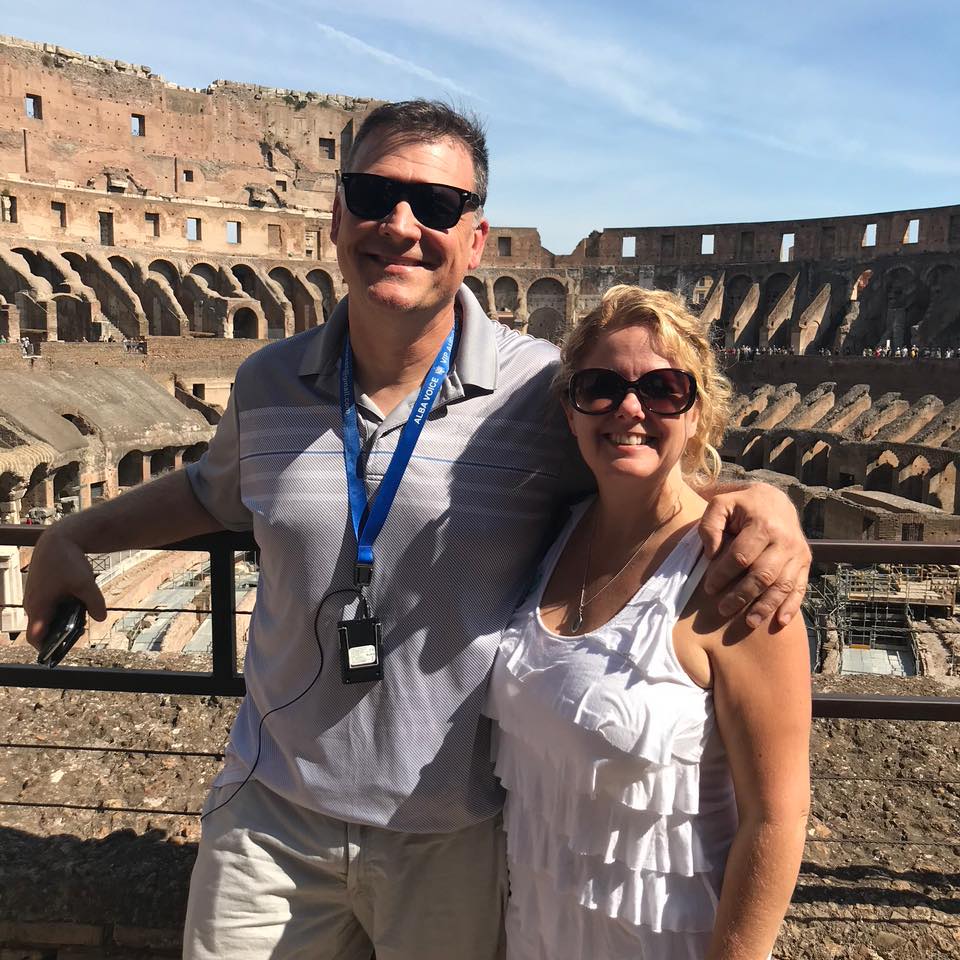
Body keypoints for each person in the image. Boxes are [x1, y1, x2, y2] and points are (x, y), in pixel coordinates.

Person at [23, 101, 812, 960]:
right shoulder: (267, 380)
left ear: (475, 240)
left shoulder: (539, 392)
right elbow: (212, 493)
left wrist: (761, 502)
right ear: (336, 217)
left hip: (451, 835)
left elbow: (639, 456)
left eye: (436, 205)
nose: (400, 225)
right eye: (373, 196)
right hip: (271, 813)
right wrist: (74, 533)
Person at [486, 285, 810, 959]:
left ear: (697, 412)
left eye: (664, 389)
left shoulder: (740, 576)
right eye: (600, 387)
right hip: (536, 934)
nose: (630, 409)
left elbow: (775, 819)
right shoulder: (551, 531)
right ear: (571, 410)